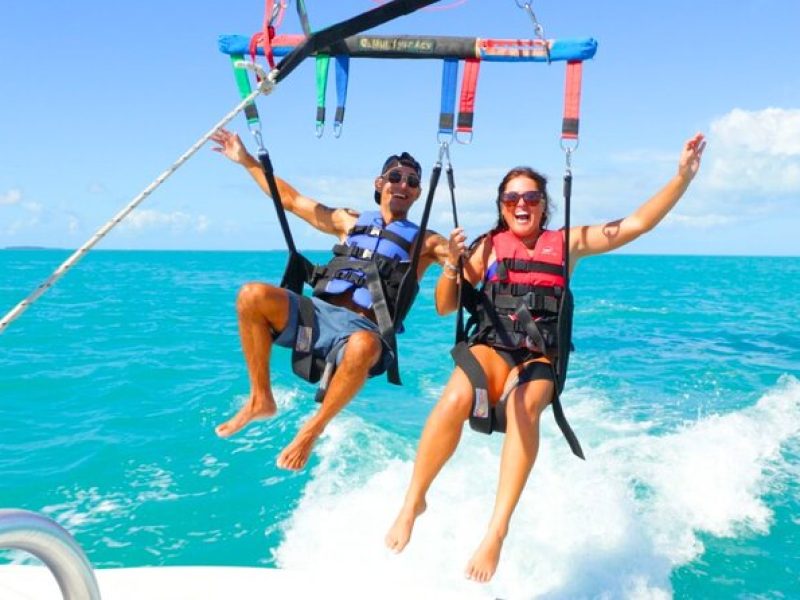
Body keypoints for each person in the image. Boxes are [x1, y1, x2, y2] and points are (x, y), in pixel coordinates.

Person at [385, 133, 707, 582]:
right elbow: (444, 305)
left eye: (530, 196)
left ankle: (496, 530)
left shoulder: (568, 241)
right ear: (502, 206)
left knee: (523, 407)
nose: (521, 203)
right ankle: (413, 501)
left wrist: (682, 178)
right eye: (511, 197)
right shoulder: (487, 246)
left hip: (538, 354)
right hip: (493, 345)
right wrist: (454, 264)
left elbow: (635, 225)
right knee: (457, 396)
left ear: (542, 204)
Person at [210, 128, 449, 471]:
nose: (403, 185)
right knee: (252, 295)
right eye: (396, 176)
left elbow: (467, 264)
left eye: (412, 182)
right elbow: (291, 200)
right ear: (380, 183)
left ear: (418, 193)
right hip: (317, 314)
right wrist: (247, 160)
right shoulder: (348, 221)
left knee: (364, 345)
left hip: (364, 329)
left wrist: (458, 257)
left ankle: (312, 429)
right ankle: (260, 397)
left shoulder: (426, 241)